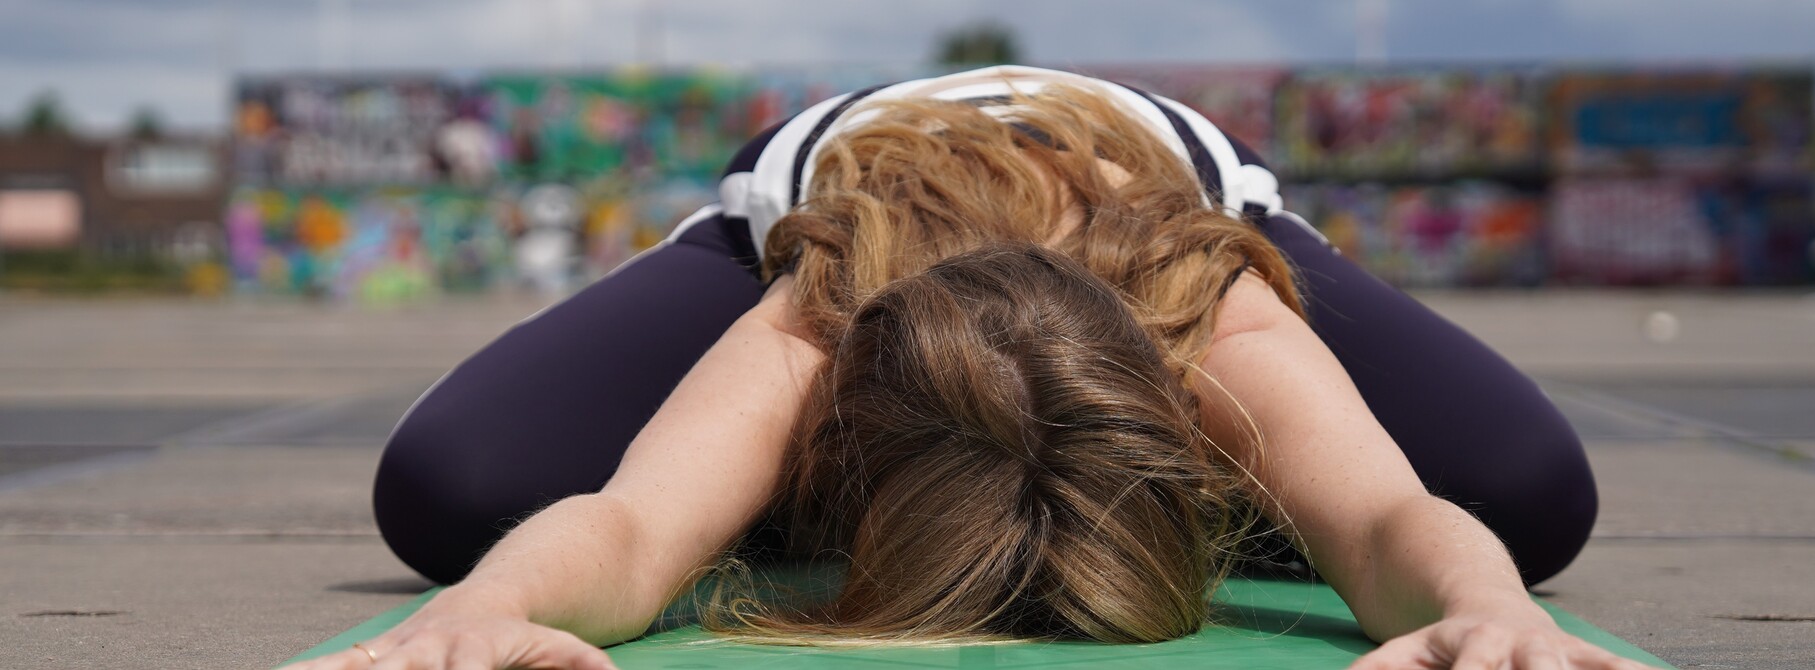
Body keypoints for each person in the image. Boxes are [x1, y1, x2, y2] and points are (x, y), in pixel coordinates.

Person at [294, 66, 1630, 669]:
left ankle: (1165, 483)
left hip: (1178, 178)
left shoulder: (1216, 305)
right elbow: (635, 529)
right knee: (453, 492)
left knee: (1523, 494)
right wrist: (472, 611)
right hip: (842, 172)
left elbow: (1399, 521)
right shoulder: (816, 302)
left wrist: (1495, 611)